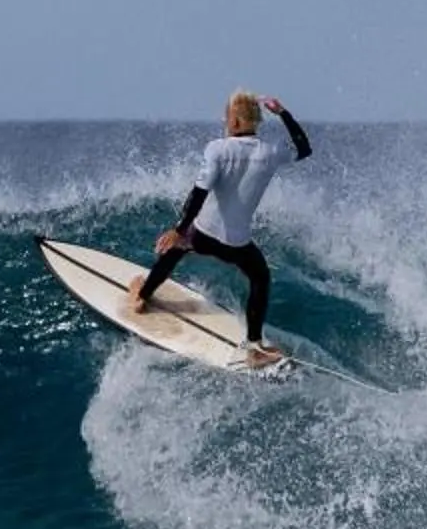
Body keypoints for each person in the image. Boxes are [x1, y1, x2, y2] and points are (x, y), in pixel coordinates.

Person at [128, 90, 313, 366]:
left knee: (175, 250)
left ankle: (142, 296)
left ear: (236, 122)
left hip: (204, 233)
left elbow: (199, 192)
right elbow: (304, 148)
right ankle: (254, 346)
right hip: (238, 244)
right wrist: (283, 113)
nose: (225, 121)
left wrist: (179, 229)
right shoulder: (271, 153)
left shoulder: (218, 148)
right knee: (260, 278)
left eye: (227, 116)